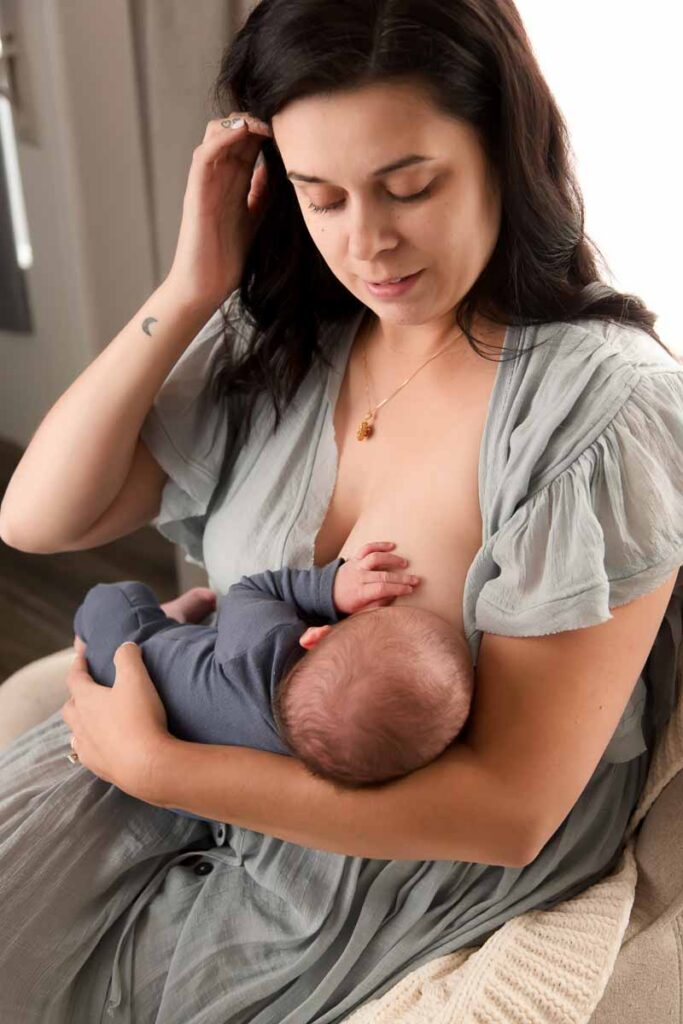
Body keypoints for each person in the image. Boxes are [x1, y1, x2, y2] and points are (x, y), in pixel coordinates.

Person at [0, 1, 681, 1021]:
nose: (367, 244)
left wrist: (162, 767)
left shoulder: (596, 410)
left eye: (408, 187)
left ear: (503, 148)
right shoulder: (289, 343)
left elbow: (510, 810)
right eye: (320, 199)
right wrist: (189, 287)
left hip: (385, 850)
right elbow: (37, 518)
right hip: (195, 741)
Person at [72, 543, 474, 794]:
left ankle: (161, 620)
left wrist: (330, 589)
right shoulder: (316, 757)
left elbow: (248, 591)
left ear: (316, 636)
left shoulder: (263, 643)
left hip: (130, 658)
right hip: (179, 791)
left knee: (117, 596)